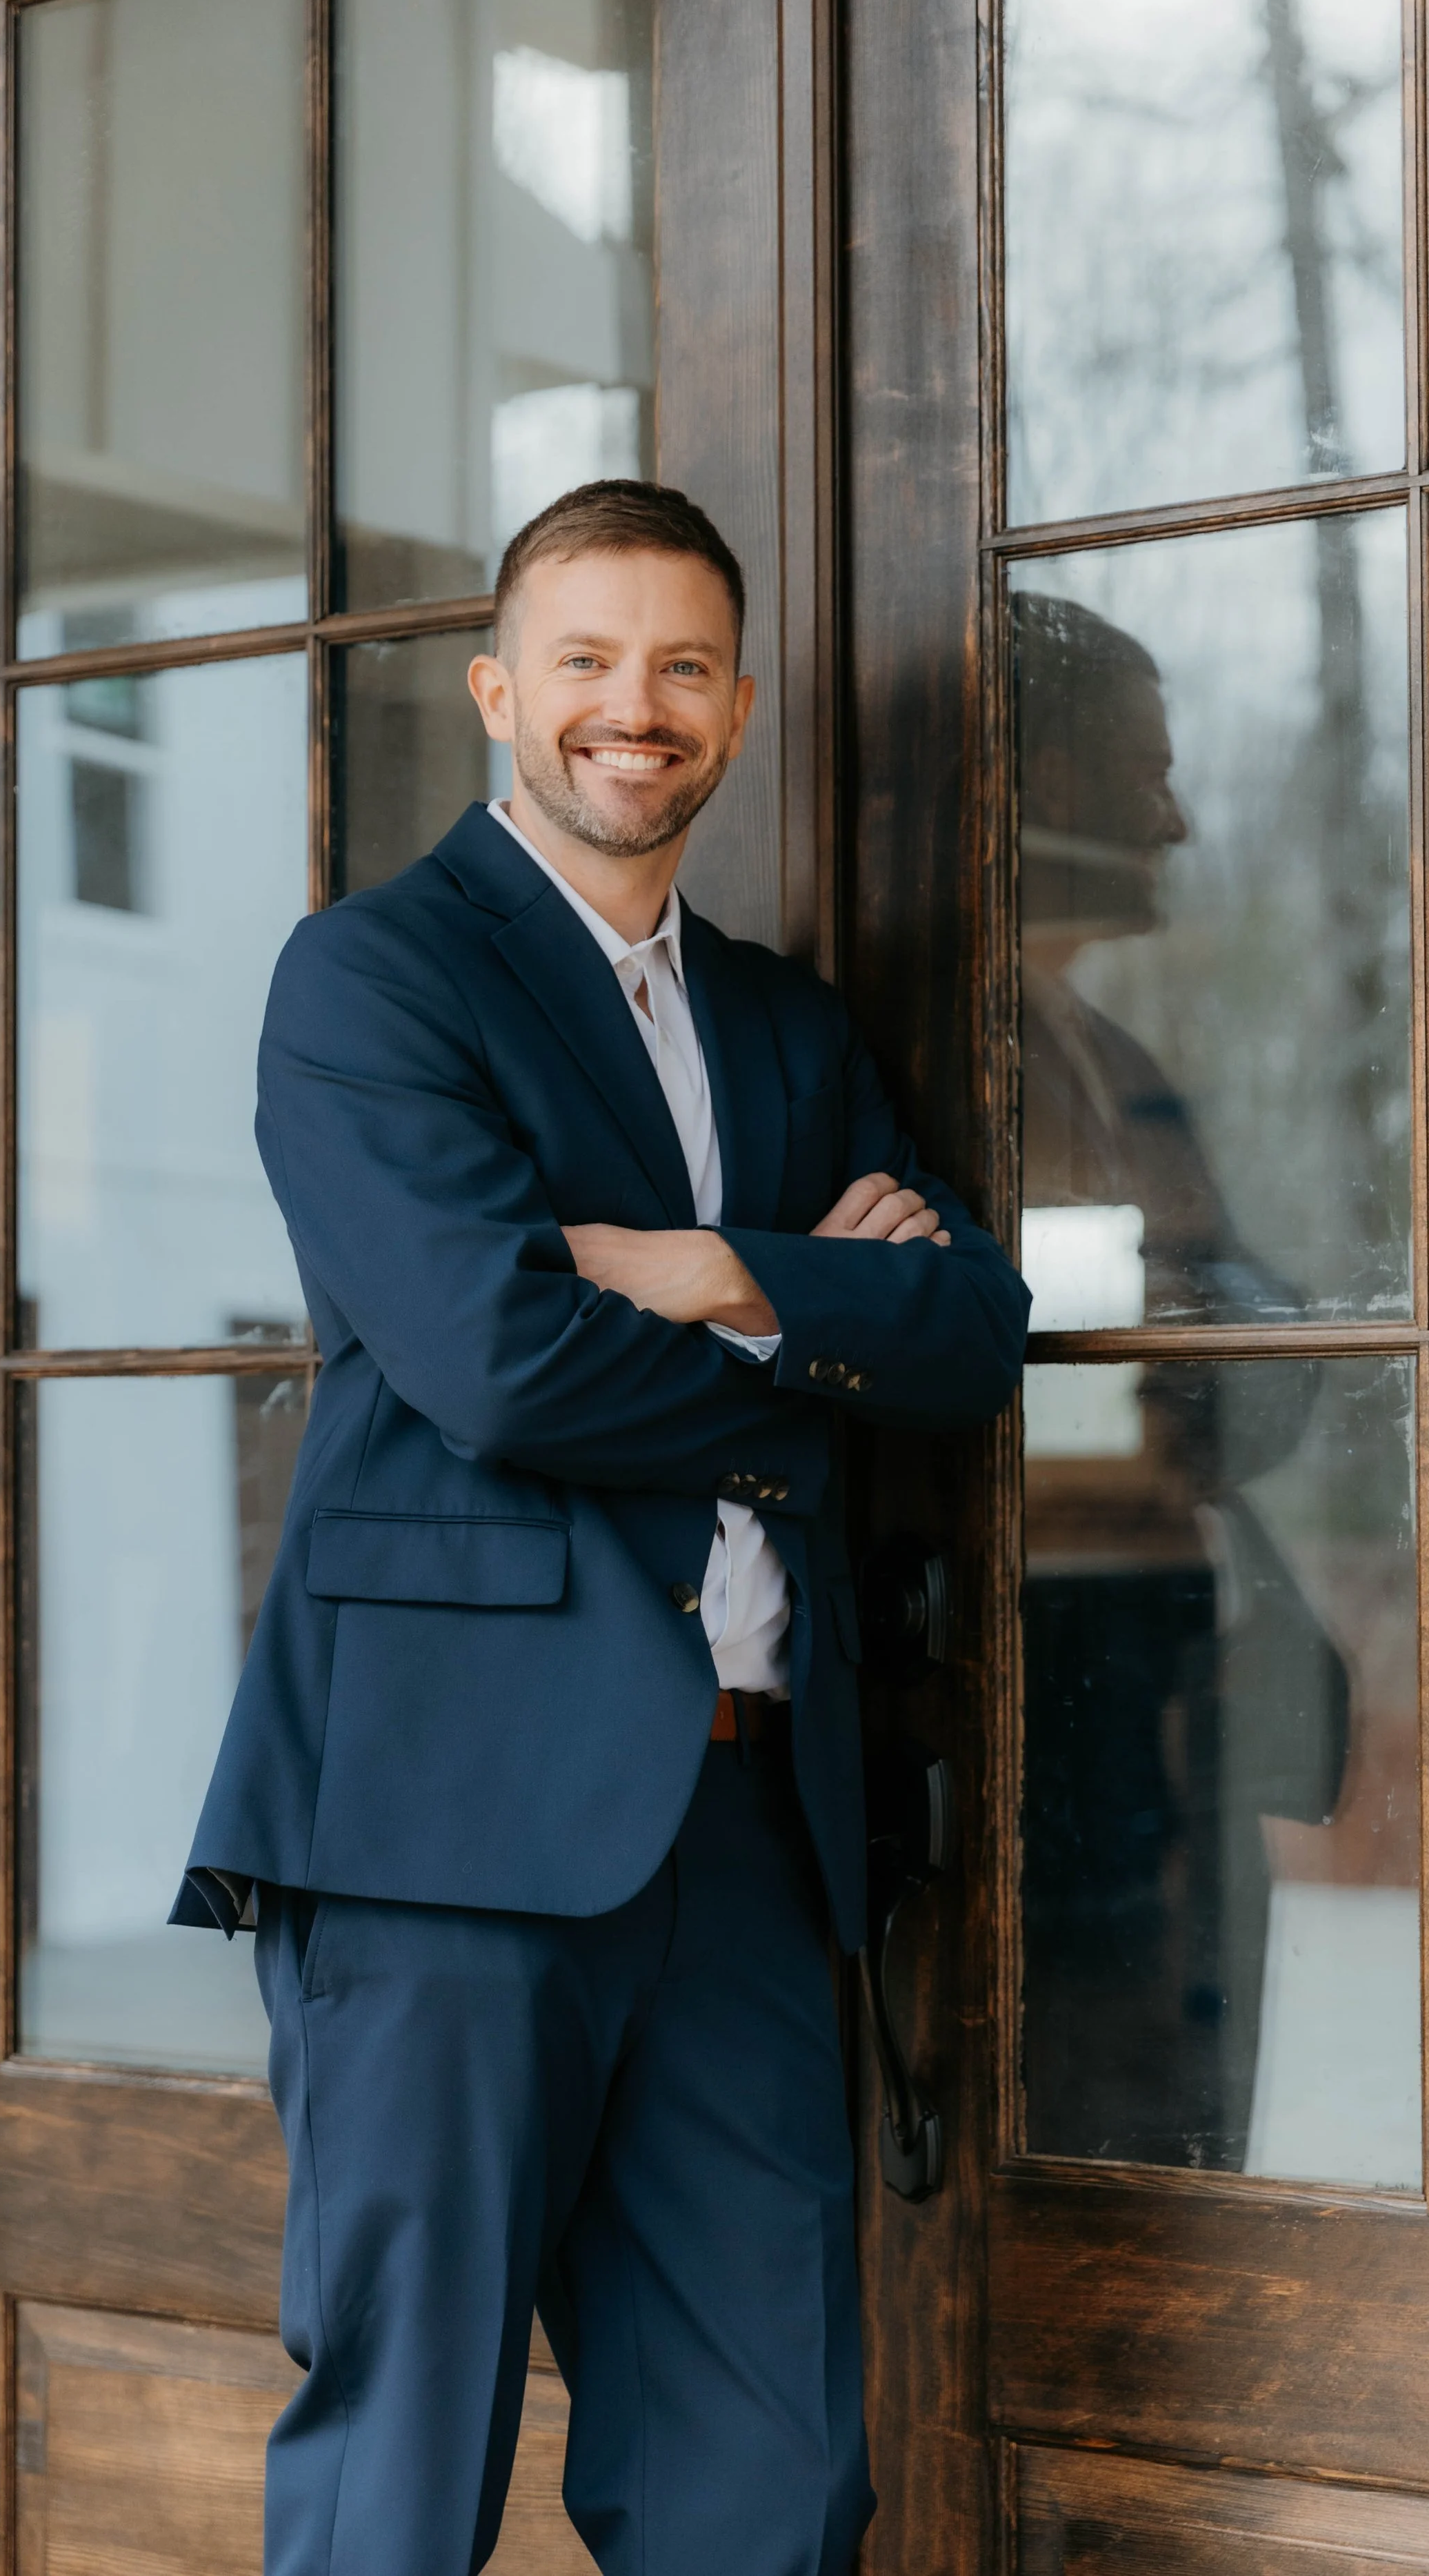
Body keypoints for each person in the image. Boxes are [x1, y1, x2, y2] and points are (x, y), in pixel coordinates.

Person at [170, 477, 1029, 2576]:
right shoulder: (370, 978)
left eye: (678, 668)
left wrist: (708, 1268)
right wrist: (802, 1325)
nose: (629, 707)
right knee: (400, 2465)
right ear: (497, 692)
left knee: (766, 2477)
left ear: (734, 713)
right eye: (583, 660)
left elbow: (970, 1327)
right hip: (440, 1821)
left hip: (745, 1834)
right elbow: (497, 1356)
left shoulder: (790, 1025)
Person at [1014, 591, 1348, 2168]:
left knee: (1187, 2143)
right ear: (1028, 782)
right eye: (1135, 772)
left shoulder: (1112, 1060)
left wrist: (1205, 1335)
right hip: (1048, 1705)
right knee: (1094, 2155)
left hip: (1173, 1697)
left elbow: (1255, 1362)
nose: (1176, 817)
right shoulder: (934, 1056)